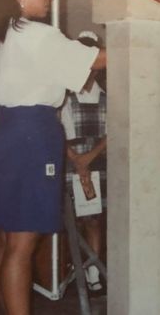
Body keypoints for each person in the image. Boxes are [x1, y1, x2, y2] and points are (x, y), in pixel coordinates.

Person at [0, 0, 106, 315]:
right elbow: (98, 60)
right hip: (31, 133)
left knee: (6, 242)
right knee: (23, 244)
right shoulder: (39, 35)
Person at [61, 30, 107, 295]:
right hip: (72, 161)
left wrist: (90, 157)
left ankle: (93, 274)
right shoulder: (64, 95)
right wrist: (76, 159)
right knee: (72, 220)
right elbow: (56, 130)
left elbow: (113, 132)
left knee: (93, 218)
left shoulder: (106, 97)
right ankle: (73, 270)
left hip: (97, 163)